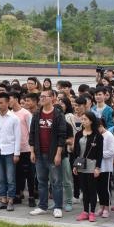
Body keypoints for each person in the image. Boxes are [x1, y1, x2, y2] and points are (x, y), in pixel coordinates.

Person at [29, 89, 67, 218]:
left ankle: (57, 207)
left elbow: (62, 136)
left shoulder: (58, 115)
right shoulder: (37, 114)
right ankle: (42, 206)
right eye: (41, 96)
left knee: (56, 182)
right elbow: (32, 134)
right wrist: (32, 151)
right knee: (41, 181)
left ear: (52, 98)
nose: (42, 98)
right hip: (39, 154)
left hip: (53, 154)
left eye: (44, 96)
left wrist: (58, 154)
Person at [0, 92, 22, 212]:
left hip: (10, 152)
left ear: (8, 103)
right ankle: (3, 199)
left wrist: (16, 153)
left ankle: (11, 200)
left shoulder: (14, 118)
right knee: (0, 178)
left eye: (1, 103)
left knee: (10, 178)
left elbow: (18, 137)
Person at [73, 111, 103, 222]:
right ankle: (85, 211)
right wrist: (75, 166)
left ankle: (92, 212)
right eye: (82, 119)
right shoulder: (78, 134)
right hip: (80, 164)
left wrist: (97, 167)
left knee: (92, 190)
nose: (83, 121)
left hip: (92, 165)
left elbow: (100, 153)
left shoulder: (97, 136)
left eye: (85, 119)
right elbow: (76, 152)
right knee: (84, 189)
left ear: (91, 121)